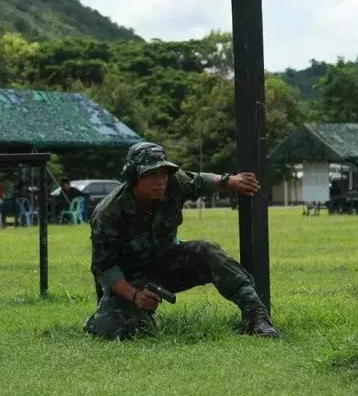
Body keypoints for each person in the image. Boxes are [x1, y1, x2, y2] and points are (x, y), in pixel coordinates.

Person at [84, 142, 279, 339]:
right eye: (151, 175)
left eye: (163, 173)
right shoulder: (108, 213)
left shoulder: (173, 182)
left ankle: (256, 316)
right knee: (114, 329)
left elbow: (198, 182)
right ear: (132, 177)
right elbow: (104, 268)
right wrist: (135, 296)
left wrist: (229, 181)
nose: (160, 181)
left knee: (206, 250)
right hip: (131, 281)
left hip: (168, 264)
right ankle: (128, 317)